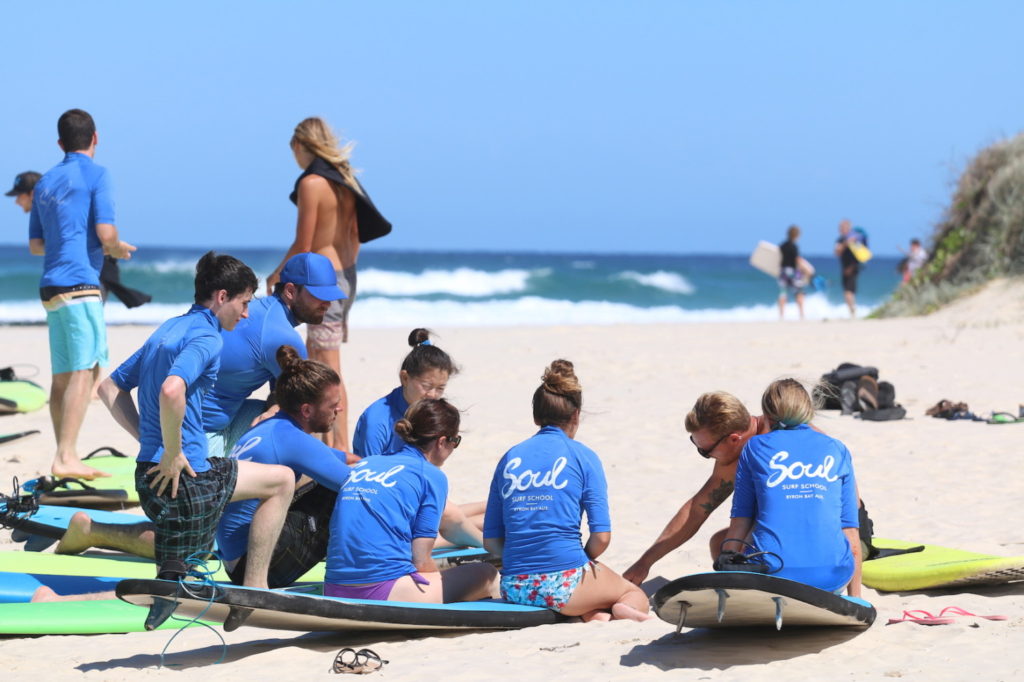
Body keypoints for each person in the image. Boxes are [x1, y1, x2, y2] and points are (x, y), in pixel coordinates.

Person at [54, 345, 349, 591]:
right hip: (253, 559)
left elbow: (335, 459)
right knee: (347, 494)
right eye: (334, 404)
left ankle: (94, 530)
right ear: (307, 410)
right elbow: (351, 483)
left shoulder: (268, 427)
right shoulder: (292, 439)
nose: (340, 410)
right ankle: (365, 574)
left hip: (231, 548)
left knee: (323, 482)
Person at [97, 252, 294, 599]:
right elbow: (172, 389)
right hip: (188, 479)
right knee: (282, 481)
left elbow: (109, 387)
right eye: (244, 302)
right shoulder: (208, 337)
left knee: (179, 572)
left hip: (149, 475)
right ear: (222, 297)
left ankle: (173, 572)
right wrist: (172, 452)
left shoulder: (169, 327)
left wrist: (150, 440)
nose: (247, 313)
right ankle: (257, 588)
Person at [483, 360, 651, 622]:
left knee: (587, 597)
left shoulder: (509, 457)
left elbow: (491, 543)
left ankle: (594, 614)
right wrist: (583, 560)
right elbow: (602, 538)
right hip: (565, 582)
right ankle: (619, 610)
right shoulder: (583, 456)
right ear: (576, 415)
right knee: (633, 593)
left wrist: (525, 562)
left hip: (514, 587)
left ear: (536, 417)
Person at [266, 117, 392, 451]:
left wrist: (276, 274)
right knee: (323, 363)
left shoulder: (312, 183)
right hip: (346, 275)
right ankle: (330, 445)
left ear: (298, 145)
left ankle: (339, 449)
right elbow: (355, 236)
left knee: (328, 366)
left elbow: (303, 244)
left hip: (324, 280)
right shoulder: (345, 180)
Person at [28, 109, 137, 480]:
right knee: (84, 371)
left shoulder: (44, 182)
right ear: (96, 137)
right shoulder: (98, 174)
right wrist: (117, 248)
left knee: (63, 375)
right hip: (80, 285)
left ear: (60, 143)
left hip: (51, 286)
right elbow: (106, 233)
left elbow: (37, 244)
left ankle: (64, 454)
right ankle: (66, 457)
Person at [324, 398, 496, 603]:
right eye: (455, 441)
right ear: (442, 442)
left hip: (333, 588)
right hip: (382, 591)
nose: (453, 448)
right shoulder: (431, 475)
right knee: (488, 575)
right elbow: (421, 560)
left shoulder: (366, 464)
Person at [203, 252, 349, 460]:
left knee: (287, 410)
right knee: (306, 414)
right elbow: (305, 410)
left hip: (195, 421)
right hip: (204, 436)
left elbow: (281, 393)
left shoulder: (254, 309)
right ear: (290, 291)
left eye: (331, 295)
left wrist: (274, 407)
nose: (328, 303)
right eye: (319, 295)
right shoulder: (283, 336)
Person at [722, 379, 861, 595]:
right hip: (833, 576)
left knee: (738, 536)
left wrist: (725, 578)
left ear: (767, 415)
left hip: (773, 575)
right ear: (808, 411)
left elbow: (740, 522)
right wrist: (857, 600)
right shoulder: (837, 448)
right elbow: (851, 533)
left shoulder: (754, 447)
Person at [353, 328, 484, 547]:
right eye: (426, 386)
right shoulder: (378, 420)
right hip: (384, 508)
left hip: (412, 498)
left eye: (440, 388)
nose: (433, 395)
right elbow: (367, 484)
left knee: (486, 509)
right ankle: (494, 547)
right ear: (405, 377)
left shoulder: (426, 410)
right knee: (455, 516)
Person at [623, 391, 770, 586]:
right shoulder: (738, 451)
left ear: (734, 439)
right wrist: (645, 562)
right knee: (720, 543)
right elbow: (697, 510)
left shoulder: (775, 441)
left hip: (807, 530)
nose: (706, 456)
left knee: (739, 545)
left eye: (705, 451)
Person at [777, 224, 806, 320]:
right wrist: (803, 270)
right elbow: (797, 260)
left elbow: (777, 257)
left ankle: (781, 315)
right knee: (799, 292)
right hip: (793, 272)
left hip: (783, 271)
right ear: (797, 235)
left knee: (783, 293)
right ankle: (801, 314)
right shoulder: (794, 247)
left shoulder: (782, 246)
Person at [834, 219, 862, 318]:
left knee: (848, 291)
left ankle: (853, 311)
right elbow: (837, 252)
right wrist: (845, 244)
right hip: (844, 267)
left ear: (848, 228)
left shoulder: (855, 239)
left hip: (852, 268)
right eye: (840, 227)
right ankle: (852, 311)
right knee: (848, 291)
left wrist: (852, 267)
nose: (840, 229)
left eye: (842, 227)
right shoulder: (840, 240)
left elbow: (860, 255)